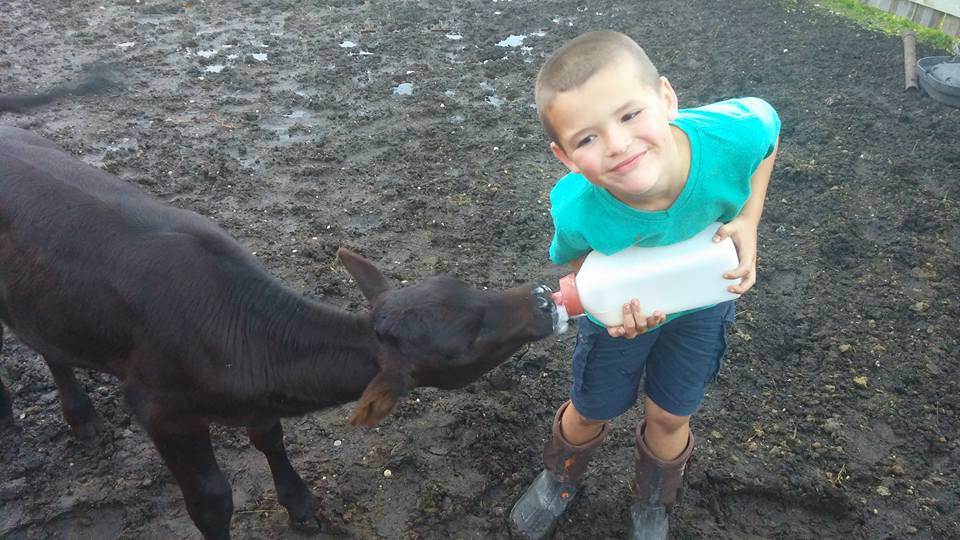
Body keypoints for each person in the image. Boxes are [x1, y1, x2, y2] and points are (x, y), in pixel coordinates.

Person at [509, 30, 780, 540]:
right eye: (587, 138)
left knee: (670, 415)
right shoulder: (576, 207)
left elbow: (770, 129)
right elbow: (576, 265)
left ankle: (654, 499)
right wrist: (612, 311)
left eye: (631, 115)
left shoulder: (730, 138)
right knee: (591, 410)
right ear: (565, 157)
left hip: (702, 302)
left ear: (667, 98)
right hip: (621, 321)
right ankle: (559, 480)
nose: (618, 145)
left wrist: (749, 218)